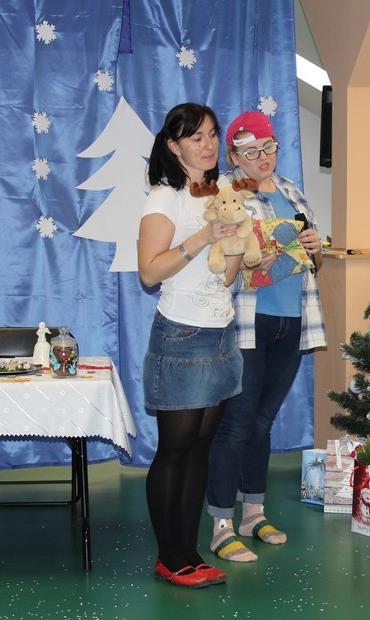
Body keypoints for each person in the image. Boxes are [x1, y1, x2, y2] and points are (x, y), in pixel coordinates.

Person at [206, 111, 326, 563]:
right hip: (245, 321)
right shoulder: (224, 192)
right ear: (234, 155)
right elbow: (216, 261)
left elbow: (314, 262)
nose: (262, 158)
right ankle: (221, 524)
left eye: (268, 148)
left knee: (262, 422)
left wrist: (316, 250)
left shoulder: (292, 190)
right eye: (251, 151)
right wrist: (255, 256)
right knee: (236, 423)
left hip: (292, 320)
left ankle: (253, 513)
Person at [137, 102, 245, 589]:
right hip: (181, 335)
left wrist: (237, 244)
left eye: (213, 134)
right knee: (175, 450)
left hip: (221, 333)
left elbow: (227, 276)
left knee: (201, 449)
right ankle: (169, 556)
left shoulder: (222, 192)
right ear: (173, 145)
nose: (209, 144)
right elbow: (149, 271)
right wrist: (202, 237)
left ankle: (189, 552)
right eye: (196, 137)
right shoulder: (165, 198)